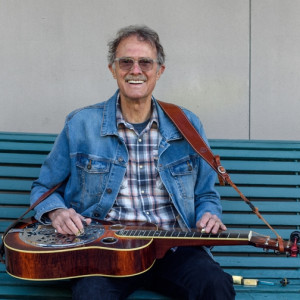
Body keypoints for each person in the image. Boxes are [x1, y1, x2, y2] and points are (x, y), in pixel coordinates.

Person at [30, 25, 235, 300]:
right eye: (126, 61)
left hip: (173, 248)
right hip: (105, 253)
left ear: (159, 71)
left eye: (145, 62)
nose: (135, 70)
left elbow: (206, 193)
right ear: (112, 69)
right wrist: (57, 213)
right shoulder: (80, 124)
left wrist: (207, 215)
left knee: (215, 285)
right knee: (92, 294)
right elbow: (44, 188)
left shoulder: (187, 125)